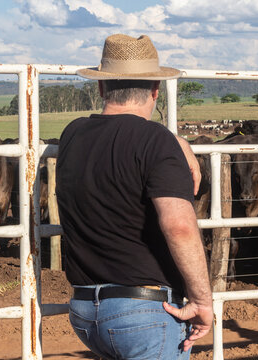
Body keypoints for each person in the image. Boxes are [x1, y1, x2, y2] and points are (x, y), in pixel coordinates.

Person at [56, 33, 213, 360]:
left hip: (85, 312)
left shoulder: (71, 134)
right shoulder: (156, 142)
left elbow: (119, 138)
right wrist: (201, 301)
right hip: (143, 314)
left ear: (101, 88)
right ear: (156, 91)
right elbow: (180, 227)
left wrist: (172, 142)